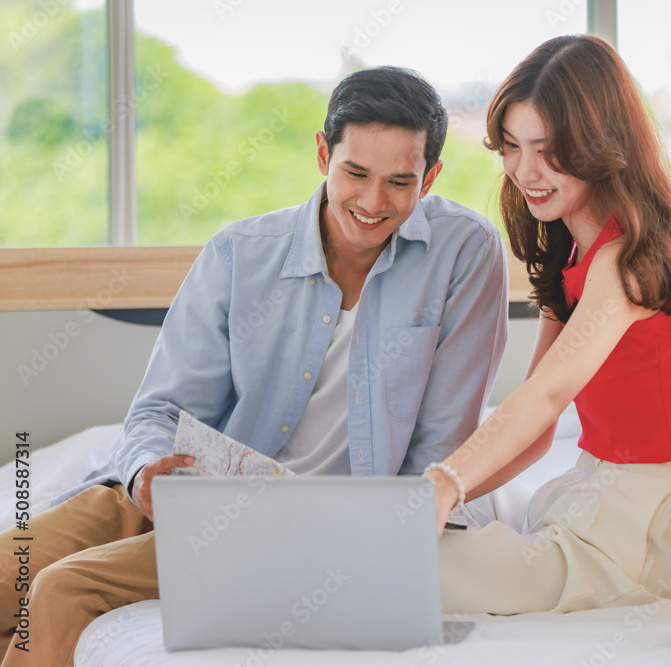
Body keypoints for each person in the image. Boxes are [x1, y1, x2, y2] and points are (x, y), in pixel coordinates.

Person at [0, 66, 508, 665]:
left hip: (295, 528)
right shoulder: (241, 253)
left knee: (60, 588)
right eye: (355, 173)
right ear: (324, 154)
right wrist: (142, 475)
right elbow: (160, 410)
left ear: (431, 177)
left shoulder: (464, 251)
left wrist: (381, 547)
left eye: (400, 181)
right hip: (178, 494)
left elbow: (441, 448)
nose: (373, 203)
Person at [424, 34, 671, 614]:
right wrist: (446, 494)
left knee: (412, 562)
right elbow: (539, 428)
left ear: (601, 144)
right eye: (510, 147)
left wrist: (444, 484)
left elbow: (546, 395)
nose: (525, 171)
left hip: (648, 527)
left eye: (547, 150)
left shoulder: (629, 260)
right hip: (591, 492)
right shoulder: (569, 253)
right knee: (434, 521)